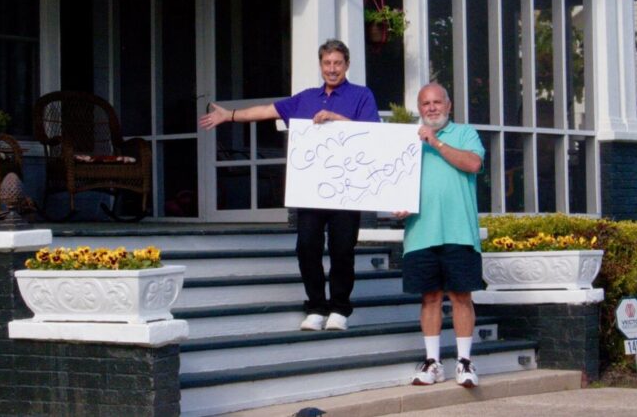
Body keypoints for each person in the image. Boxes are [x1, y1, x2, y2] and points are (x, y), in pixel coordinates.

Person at [199, 39, 381, 331]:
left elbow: (372, 134)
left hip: (347, 189)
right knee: (307, 246)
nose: (332, 69)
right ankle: (316, 307)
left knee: (342, 249)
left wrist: (336, 118)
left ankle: (339, 309)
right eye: (327, 63)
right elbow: (266, 111)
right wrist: (228, 116)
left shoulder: (362, 96)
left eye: (337, 63)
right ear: (321, 65)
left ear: (347, 65)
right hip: (311, 188)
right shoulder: (306, 98)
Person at [393, 82, 485, 388]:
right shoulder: (408, 141)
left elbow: (473, 164)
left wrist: (435, 142)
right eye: (425, 104)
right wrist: (399, 204)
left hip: (459, 231)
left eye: (436, 102)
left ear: (448, 106)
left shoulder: (465, 134)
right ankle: (433, 362)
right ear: (419, 109)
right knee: (429, 298)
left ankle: (464, 362)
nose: (431, 108)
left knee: (461, 296)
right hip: (421, 233)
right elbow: (395, 183)